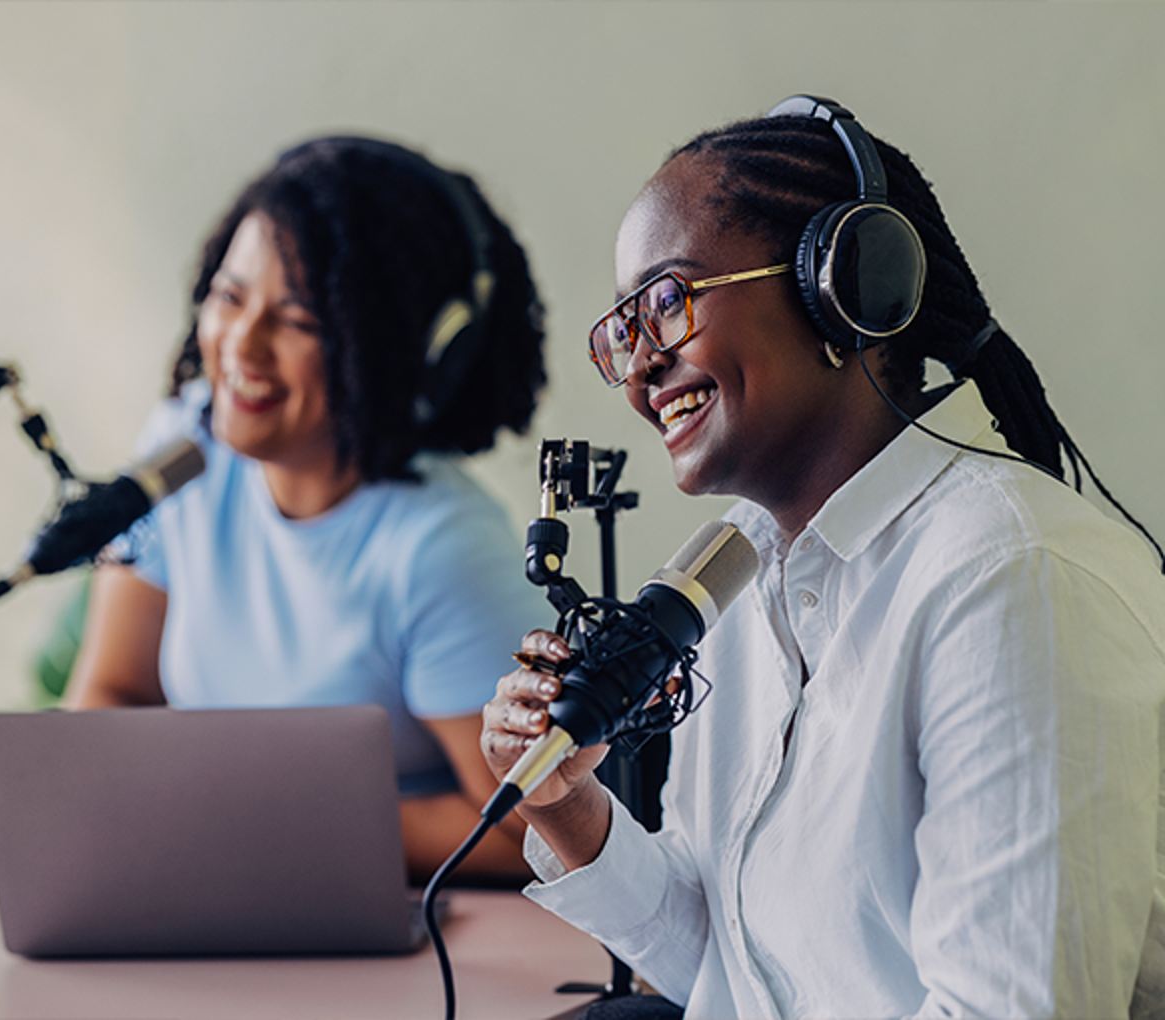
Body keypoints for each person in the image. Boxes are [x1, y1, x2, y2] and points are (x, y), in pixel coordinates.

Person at [482, 96, 1165, 1017]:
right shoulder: (733, 579)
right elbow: (736, 970)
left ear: (844, 289)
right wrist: (566, 804)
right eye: (623, 330)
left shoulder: (1014, 580)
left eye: (668, 303)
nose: (639, 368)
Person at [66, 136, 548, 883]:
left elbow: (527, 832)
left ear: (400, 350)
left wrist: (270, 823)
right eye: (229, 298)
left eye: (297, 319)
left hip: (396, 915)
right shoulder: (183, 455)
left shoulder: (444, 548)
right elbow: (114, 691)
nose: (241, 346)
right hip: (214, 889)